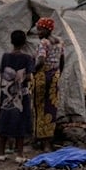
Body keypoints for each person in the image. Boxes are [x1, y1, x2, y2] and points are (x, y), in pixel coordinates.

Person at [0, 30, 35, 163]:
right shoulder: (27, 58)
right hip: (20, 94)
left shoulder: (5, 56)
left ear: (11, 41)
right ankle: (19, 154)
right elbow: (29, 77)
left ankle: (1, 153)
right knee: (21, 121)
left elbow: (2, 72)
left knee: (4, 118)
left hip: (5, 92)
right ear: (24, 43)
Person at [32, 17, 64, 152]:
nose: (38, 32)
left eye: (40, 29)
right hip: (54, 76)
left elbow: (40, 60)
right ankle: (48, 142)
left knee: (39, 107)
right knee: (51, 107)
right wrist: (58, 73)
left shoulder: (44, 43)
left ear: (46, 29)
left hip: (42, 76)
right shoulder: (59, 42)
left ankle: (41, 141)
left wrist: (32, 71)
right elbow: (62, 60)